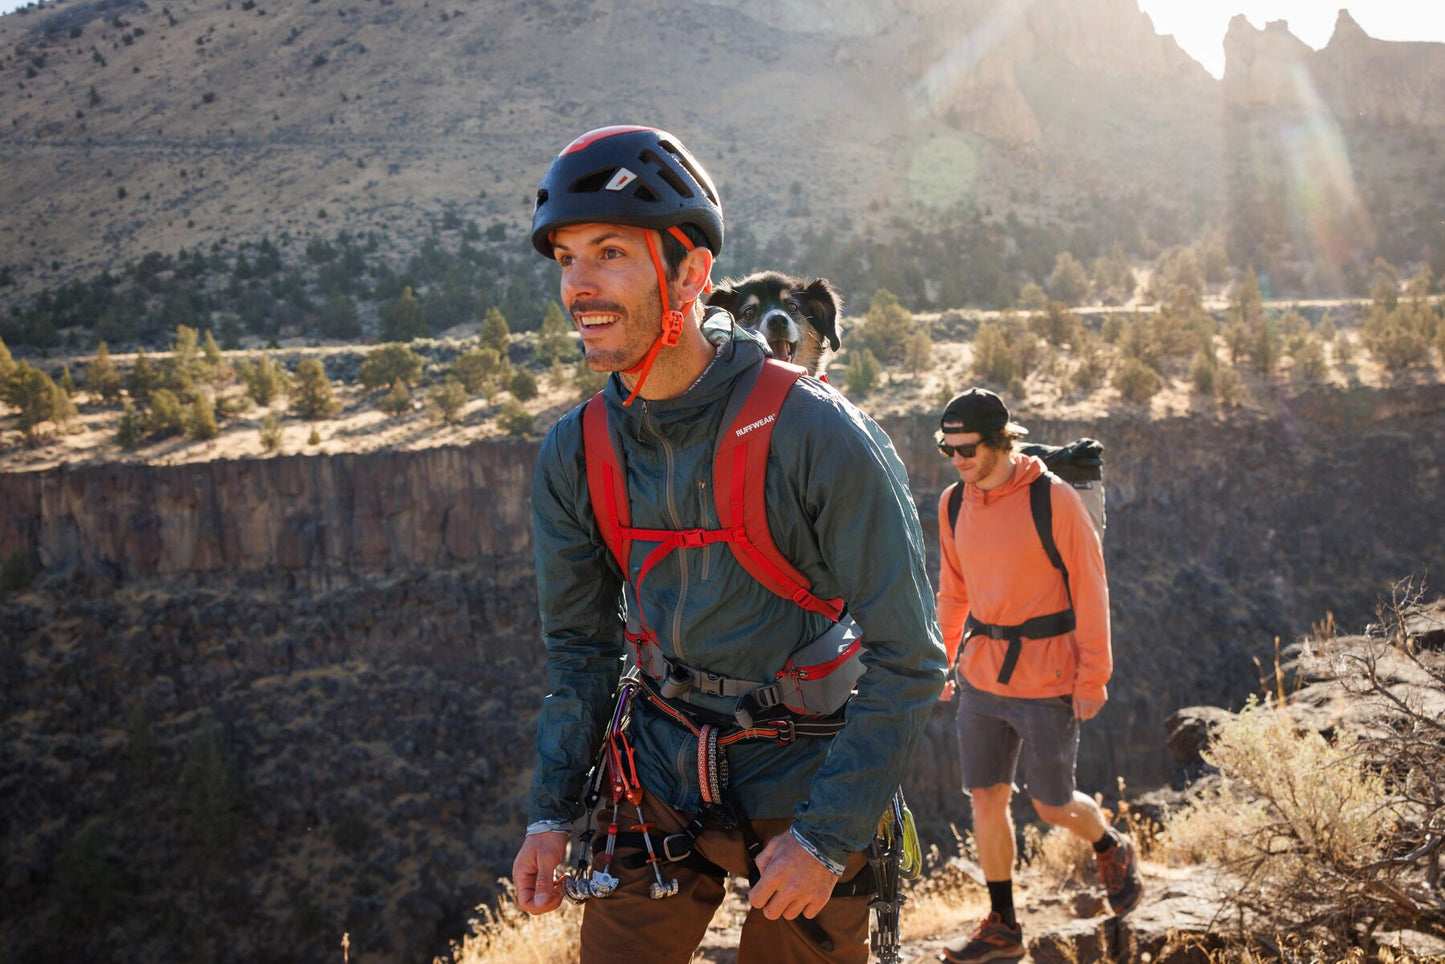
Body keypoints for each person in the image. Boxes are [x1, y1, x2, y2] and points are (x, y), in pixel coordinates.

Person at [510, 125, 945, 964]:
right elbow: (579, 648)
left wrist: (826, 837)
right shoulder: (578, 450)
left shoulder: (816, 434)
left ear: (691, 273)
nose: (579, 286)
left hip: (808, 767)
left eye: (609, 254)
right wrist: (551, 813)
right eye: (566, 258)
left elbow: (910, 659)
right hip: (660, 766)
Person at [933, 388, 1141, 964]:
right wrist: (940, 662)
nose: (958, 460)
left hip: (1048, 677)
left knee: (1051, 806)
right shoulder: (954, 504)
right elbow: (953, 593)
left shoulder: (1056, 500)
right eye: (947, 449)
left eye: (967, 448)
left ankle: (1108, 843)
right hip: (982, 677)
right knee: (986, 798)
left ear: (1002, 440)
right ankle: (1003, 924)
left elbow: (1091, 590)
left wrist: (1094, 676)